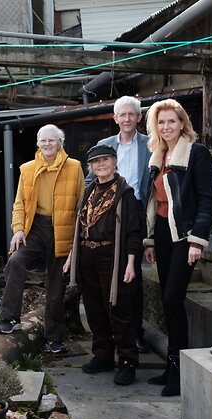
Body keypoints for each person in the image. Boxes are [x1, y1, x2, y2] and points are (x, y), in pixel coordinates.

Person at [143, 99, 212, 397]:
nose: (166, 127)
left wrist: (197, 240)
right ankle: (170, 368)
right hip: (162, 232)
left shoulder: (196, 153)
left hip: (185, 235)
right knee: (166, 299)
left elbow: (207, 199)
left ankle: (179, 373)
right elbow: (153, 201)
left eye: (171, 121)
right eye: (161, 122)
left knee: (173, 299)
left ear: (182, 123)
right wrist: (150, 239)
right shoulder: (158, 155)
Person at [0, 124, 85, 355]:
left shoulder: (74, 167)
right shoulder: (27, 169)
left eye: (52, 140)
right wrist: (18, 230)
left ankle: (53, 339)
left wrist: (76, 242)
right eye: (43, 140)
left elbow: (81, 205)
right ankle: (10, 317)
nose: (47, 144)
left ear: (60, 143)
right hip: (35, 228)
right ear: (37, 143)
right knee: (15, 261)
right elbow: (19, 204)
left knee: (56, 285)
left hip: (62, 229)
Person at [65, 144, 144, 385]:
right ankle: (103, 355)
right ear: (90, 166)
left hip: (113, 256)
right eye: (96, 162)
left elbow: (134, 231)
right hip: (87, 257)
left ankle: (127, 361)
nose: (101, 165)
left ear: (114, 162)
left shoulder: (125, 193)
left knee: (118, 309)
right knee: (94, 309)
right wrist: (72, 256)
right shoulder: (89, 192)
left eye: (105, 160)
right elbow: (80, 228)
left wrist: (131, 263)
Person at [90, 95, 151, 354]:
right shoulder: (104, 145)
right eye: (122, 115)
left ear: (139, 117)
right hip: (106, 214)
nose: (127, 119)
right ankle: (109, 336)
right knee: (105, 274)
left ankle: (135, 334)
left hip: (135, 211)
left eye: (131, 114)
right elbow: (90, 180)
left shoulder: (150, 144)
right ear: (115, 118)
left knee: (131, 273)